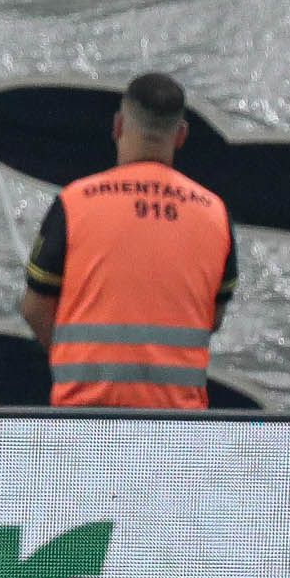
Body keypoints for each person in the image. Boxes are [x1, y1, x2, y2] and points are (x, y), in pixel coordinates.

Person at [20, 71, 237, 409]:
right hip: (178, 425)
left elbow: (35, 308)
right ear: (181, 136)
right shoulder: (214, 213)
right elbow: (213, 317)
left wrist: (81, 360)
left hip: (85, 418)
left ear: (118, 126)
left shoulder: (75, 202)